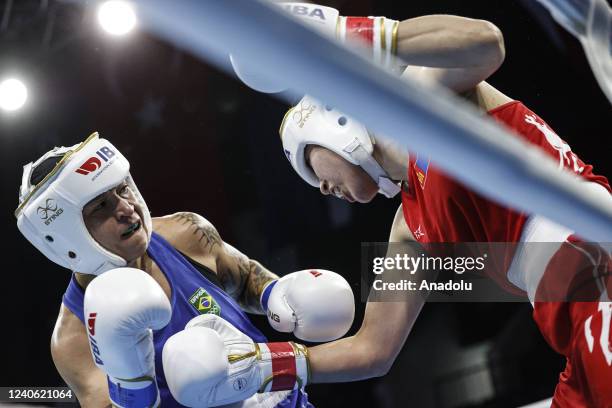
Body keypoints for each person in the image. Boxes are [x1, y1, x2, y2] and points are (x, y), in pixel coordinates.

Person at [184, 4, 612, 408]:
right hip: (571, 323)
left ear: (336, 124)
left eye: (315, 169)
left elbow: (486, 41)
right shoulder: (409, 225)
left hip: (599, 275)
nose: (324, 189)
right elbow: (375, 348)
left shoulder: (421, 102)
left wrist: (340, 34)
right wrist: (265, 363)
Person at [15, 132, 355, 407]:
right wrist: (132, 388)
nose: (127, 208)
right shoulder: (73, 339)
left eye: (123, 189)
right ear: (66, 236)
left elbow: (244, 275)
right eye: (102, 206)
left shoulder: (184, 232)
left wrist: (275, 293)